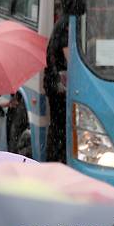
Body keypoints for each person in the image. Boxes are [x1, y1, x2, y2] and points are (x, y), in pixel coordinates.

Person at [45, 17, 70, 163]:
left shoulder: (61, 24)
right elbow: (70, 59)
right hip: (59, 87)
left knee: (56, 127)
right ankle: (57, 161)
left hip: (55, 84)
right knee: (59, 128)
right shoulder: (67, 26)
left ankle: (54, 160)